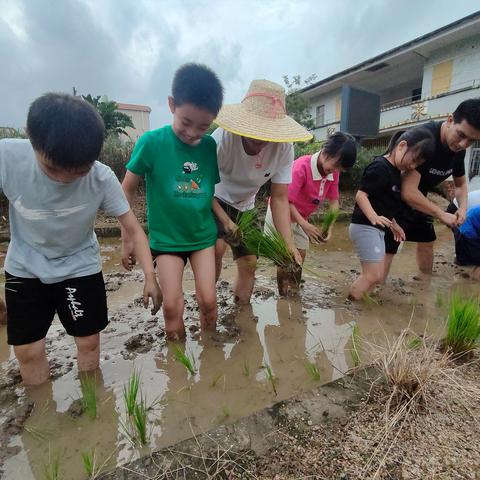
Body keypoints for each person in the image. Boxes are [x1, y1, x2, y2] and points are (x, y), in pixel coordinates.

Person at [1, 93, 161, 386]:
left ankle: (91, 402)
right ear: (31, 138)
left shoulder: (101, 177)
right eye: (52, 169)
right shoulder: (7, 158)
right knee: (27, 349)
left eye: (78, 172)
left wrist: (150, 276)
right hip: (25, 267)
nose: (64, 180)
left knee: (88, 342)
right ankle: (41, 414)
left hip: (79, 266)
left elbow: (135, 229)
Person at [122, 63, 224, 340]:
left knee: (209, 301)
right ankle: (176, 366)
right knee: (171, 305)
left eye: (203, 127)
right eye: (186, 123)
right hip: (167, 239)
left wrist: (224, 223)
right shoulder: (151, 142)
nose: (193, 133)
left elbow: (207, 191)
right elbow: (126, 191)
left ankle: (210, 353)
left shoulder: (208, 146)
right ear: (171, 105)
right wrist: (127, 237)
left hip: (202, 236)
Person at [211, 79, 312, 304]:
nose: (259, 139)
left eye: (266, 132)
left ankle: (242, 314)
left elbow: (279, 197)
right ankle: (209, 304)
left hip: (246, 205)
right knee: (215, 251)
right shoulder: (221, 140)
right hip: (214, 199)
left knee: (249, 264)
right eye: (254, 129)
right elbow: (202, 188)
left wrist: (288, 244)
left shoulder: (284, 148)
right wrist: (225, 220)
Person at [384, 98, 480, 275]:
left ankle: (424, 286)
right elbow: (408, 191)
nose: (463, 144)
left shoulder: (458, 150)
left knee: (427, 240)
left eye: (472, 141)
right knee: (389, 247)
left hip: (419, 199)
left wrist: (463, 209)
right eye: (461, 135)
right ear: (450, 120)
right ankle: (374, 287)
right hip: (391, 197)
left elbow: (460, 184)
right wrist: (441, 213)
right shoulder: (425, 139)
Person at [264, 132, 357, 295]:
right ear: (326, 152)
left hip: (301, 219)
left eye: (339, 169)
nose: (335, 171)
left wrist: (330, 227)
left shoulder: (332, 173)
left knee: (300, 255)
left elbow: (334, 202)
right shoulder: (302, 167)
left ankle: (294, 291)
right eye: (335, 165)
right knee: (285, 259)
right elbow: (285, 200)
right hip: (281, 215)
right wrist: (304, 224)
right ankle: (283, 296)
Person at [349, 127, 435, 300]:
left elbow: (385, 205)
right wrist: (373, 217)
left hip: (377, 228)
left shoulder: (395, 172)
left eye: (418, 164)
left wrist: (394, 225)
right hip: (365, 226)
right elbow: (361, 195)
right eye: (414, 159)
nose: (412, 166)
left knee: (378, 275)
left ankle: (357, 302)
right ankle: (350, 305)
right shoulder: (380, 167)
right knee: (372, 275)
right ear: (402, 146)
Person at [453, 205, 480, 281]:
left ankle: (460, 263)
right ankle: (475, 286)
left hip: (462, 226)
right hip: (467, 230)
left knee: (475, 260)